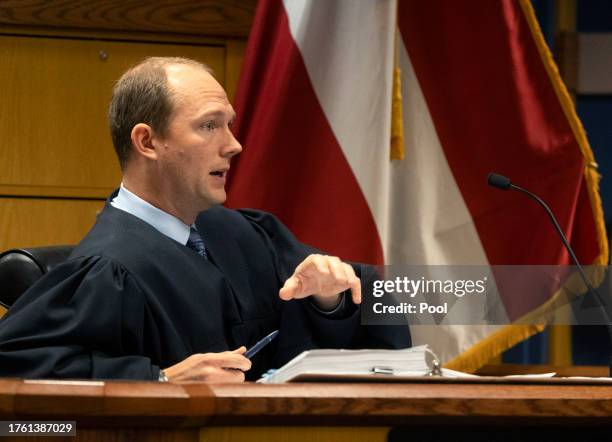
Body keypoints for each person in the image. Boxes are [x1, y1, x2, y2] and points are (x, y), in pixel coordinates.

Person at [0, 57, 410, 382]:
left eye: (228, 125)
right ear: (147, 142)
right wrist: (158, 379)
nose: (233, 145)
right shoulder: (108, 270)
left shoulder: (241, 233)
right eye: (209, 126)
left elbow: (363, 297)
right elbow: (16, 361)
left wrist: (330, 298)